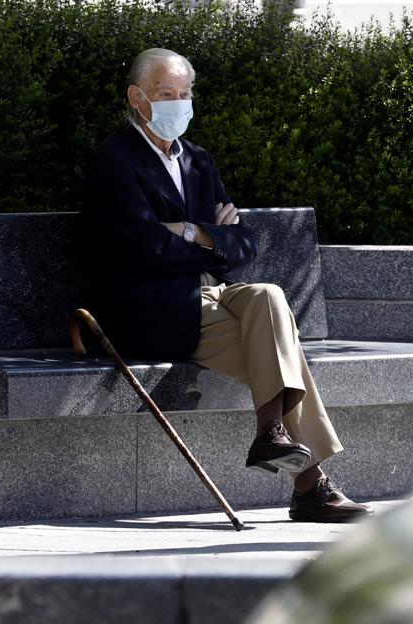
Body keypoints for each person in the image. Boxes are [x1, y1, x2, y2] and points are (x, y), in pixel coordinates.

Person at [78, 47, 371, 523]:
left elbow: (244, 245)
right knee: (283, 352)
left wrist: (188, 231)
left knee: (270, 295)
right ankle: (308, 485)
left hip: (210, 294)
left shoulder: (198, 160)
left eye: (185, 94)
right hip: (152, 306)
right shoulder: (114, 161)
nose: (178, 103)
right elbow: (142, 248)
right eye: (165, 93)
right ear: (137, 98)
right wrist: (211, 234)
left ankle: (272, 434)